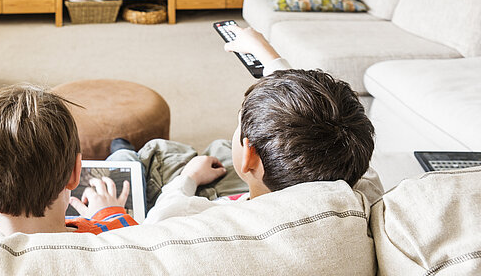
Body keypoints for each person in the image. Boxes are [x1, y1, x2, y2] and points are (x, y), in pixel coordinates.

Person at [109, 25, 379, 223]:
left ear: (250, 156)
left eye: (239, 128)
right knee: (218, 149)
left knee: (144, 156)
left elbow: (161, 218)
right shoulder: (362, 185)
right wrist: (269, 57)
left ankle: (123, 153)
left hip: (197, 188)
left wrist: (188, 178)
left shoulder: (196, 218)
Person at [0, 84, 138, 235]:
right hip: (102, 212)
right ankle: (124, 151)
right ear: (75, 173)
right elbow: (128, 232)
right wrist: (108, 212)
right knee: (143, 156)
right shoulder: (115, 232)